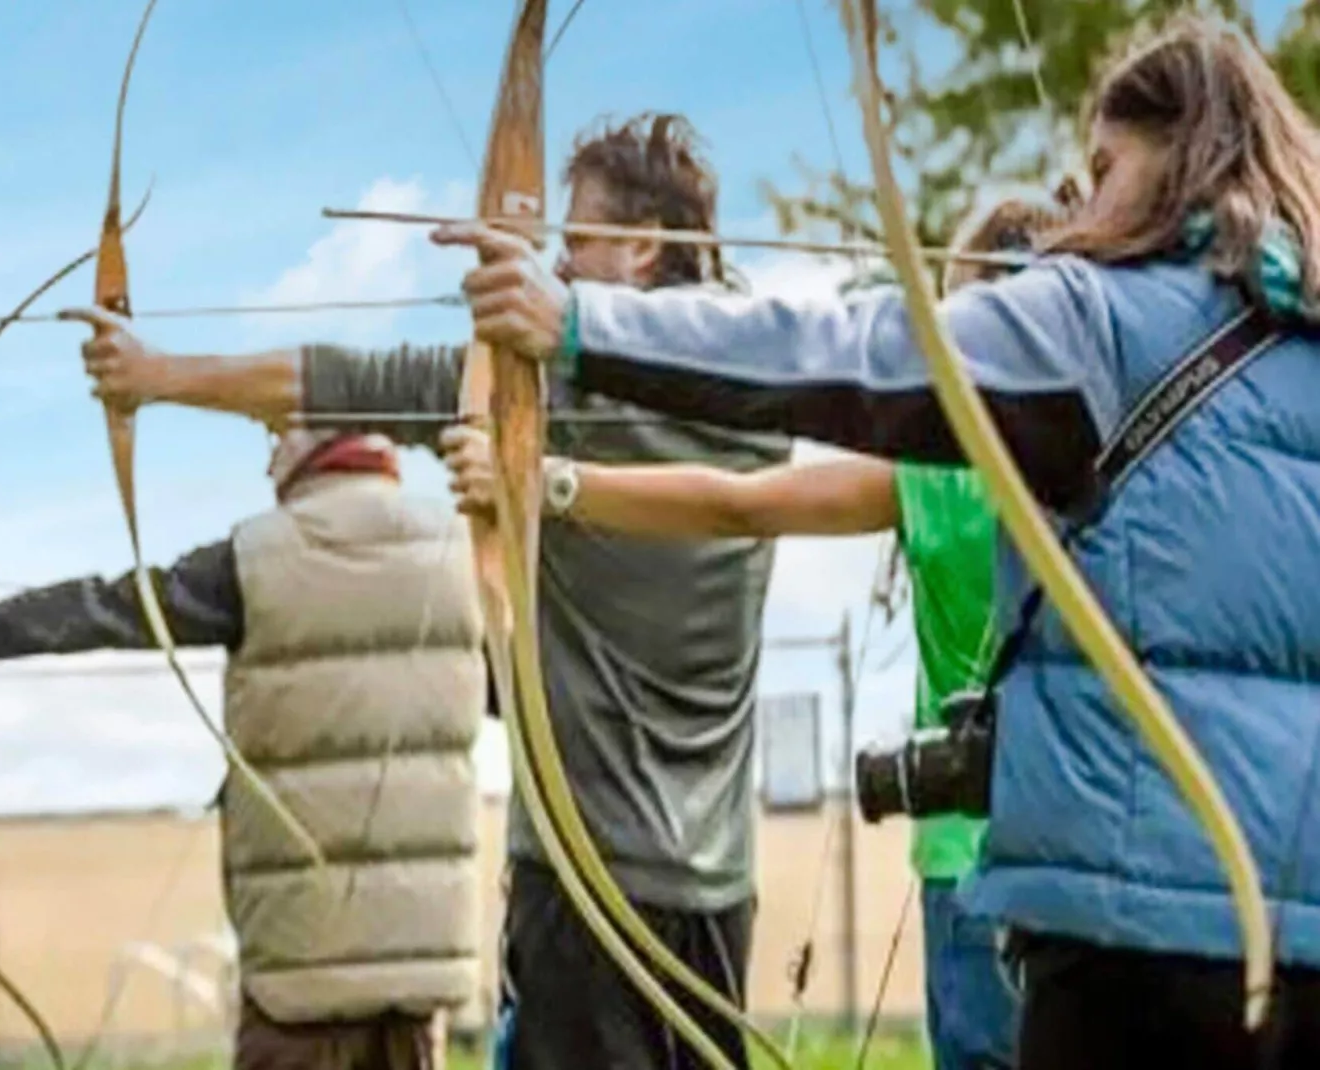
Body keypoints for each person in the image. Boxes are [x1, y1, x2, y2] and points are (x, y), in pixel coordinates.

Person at [431, 15, 1320, 1070]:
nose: (1082, 202)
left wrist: (579, 322)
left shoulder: (1095, 318)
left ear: (1178, 160)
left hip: (1127, 932)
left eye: (1104, 165)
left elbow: (852, 350)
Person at [66, 112, 794, 1070]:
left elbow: (351, 381)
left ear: (646, 244)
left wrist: (158, 375)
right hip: (714, 886)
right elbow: (356, 381)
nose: (559, 271)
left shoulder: (561, 400)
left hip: (585, 888)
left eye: (574, 246)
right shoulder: (766, 390)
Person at [442, 197, 1054, 1070]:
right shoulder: (1114, 452)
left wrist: (550, 482)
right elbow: (738, 501)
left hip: (969, 853)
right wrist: (542, 480)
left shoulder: (937, 469)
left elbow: (739, 505)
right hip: (1076, 856)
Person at [0, 429, 485, 1070]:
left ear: (321, 436)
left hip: (299, 987)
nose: (269, 454)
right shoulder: (460, 555)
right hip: (417, 999)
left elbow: (108, 608)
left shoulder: (261, 558)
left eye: (279, 432)